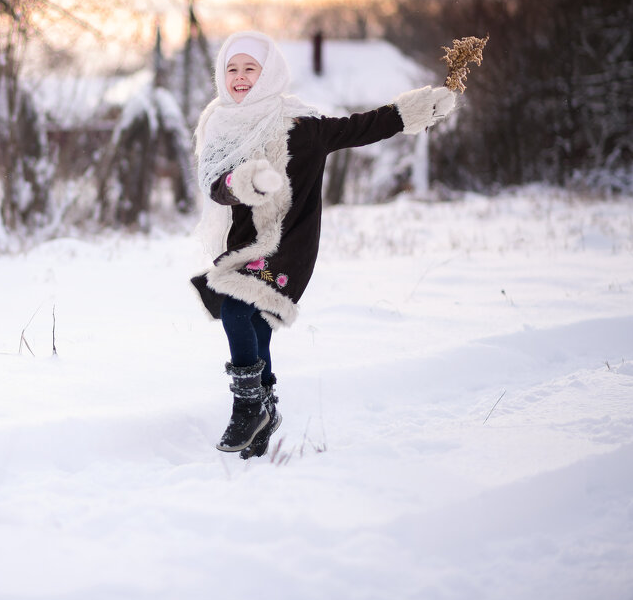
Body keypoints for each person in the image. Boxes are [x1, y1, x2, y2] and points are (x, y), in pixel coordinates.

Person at [191, 31, 456, 457]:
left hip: (289, 242)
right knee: (255, 322)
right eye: (232, 69)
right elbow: (213, 185)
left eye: (249, 69)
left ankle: (247, 405)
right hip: (246, 242)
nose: (240, 78)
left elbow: (360, 127)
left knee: (238, 308)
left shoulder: (302, 125)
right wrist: (240, 182)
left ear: (268, 72)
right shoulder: (219, 123)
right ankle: (266, 408)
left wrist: (410, 111)